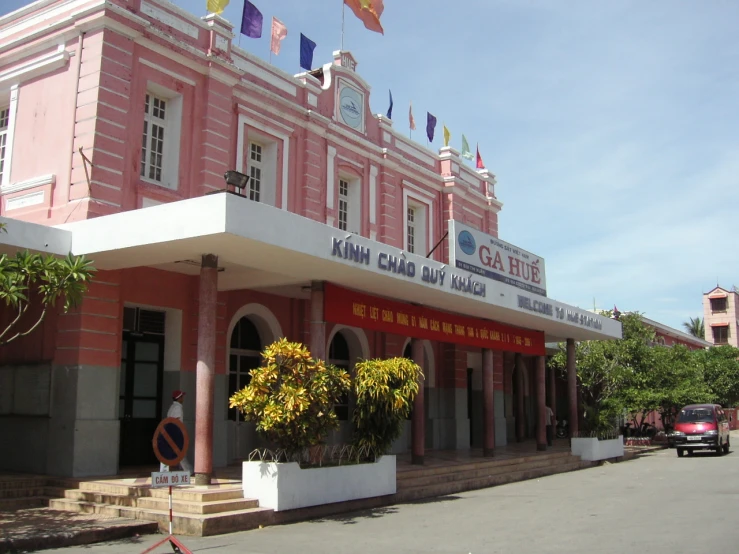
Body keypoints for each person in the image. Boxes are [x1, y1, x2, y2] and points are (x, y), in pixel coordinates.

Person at [160, 390, 193, 475]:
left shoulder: (172, 407)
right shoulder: (178, 408)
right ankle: (188, 471)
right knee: (180, 452)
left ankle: (166, 470)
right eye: (182, 397)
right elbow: (176, 421)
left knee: (175, 452)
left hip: (170, 432)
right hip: (176, 433)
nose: (183, 398)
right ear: (179, 398)